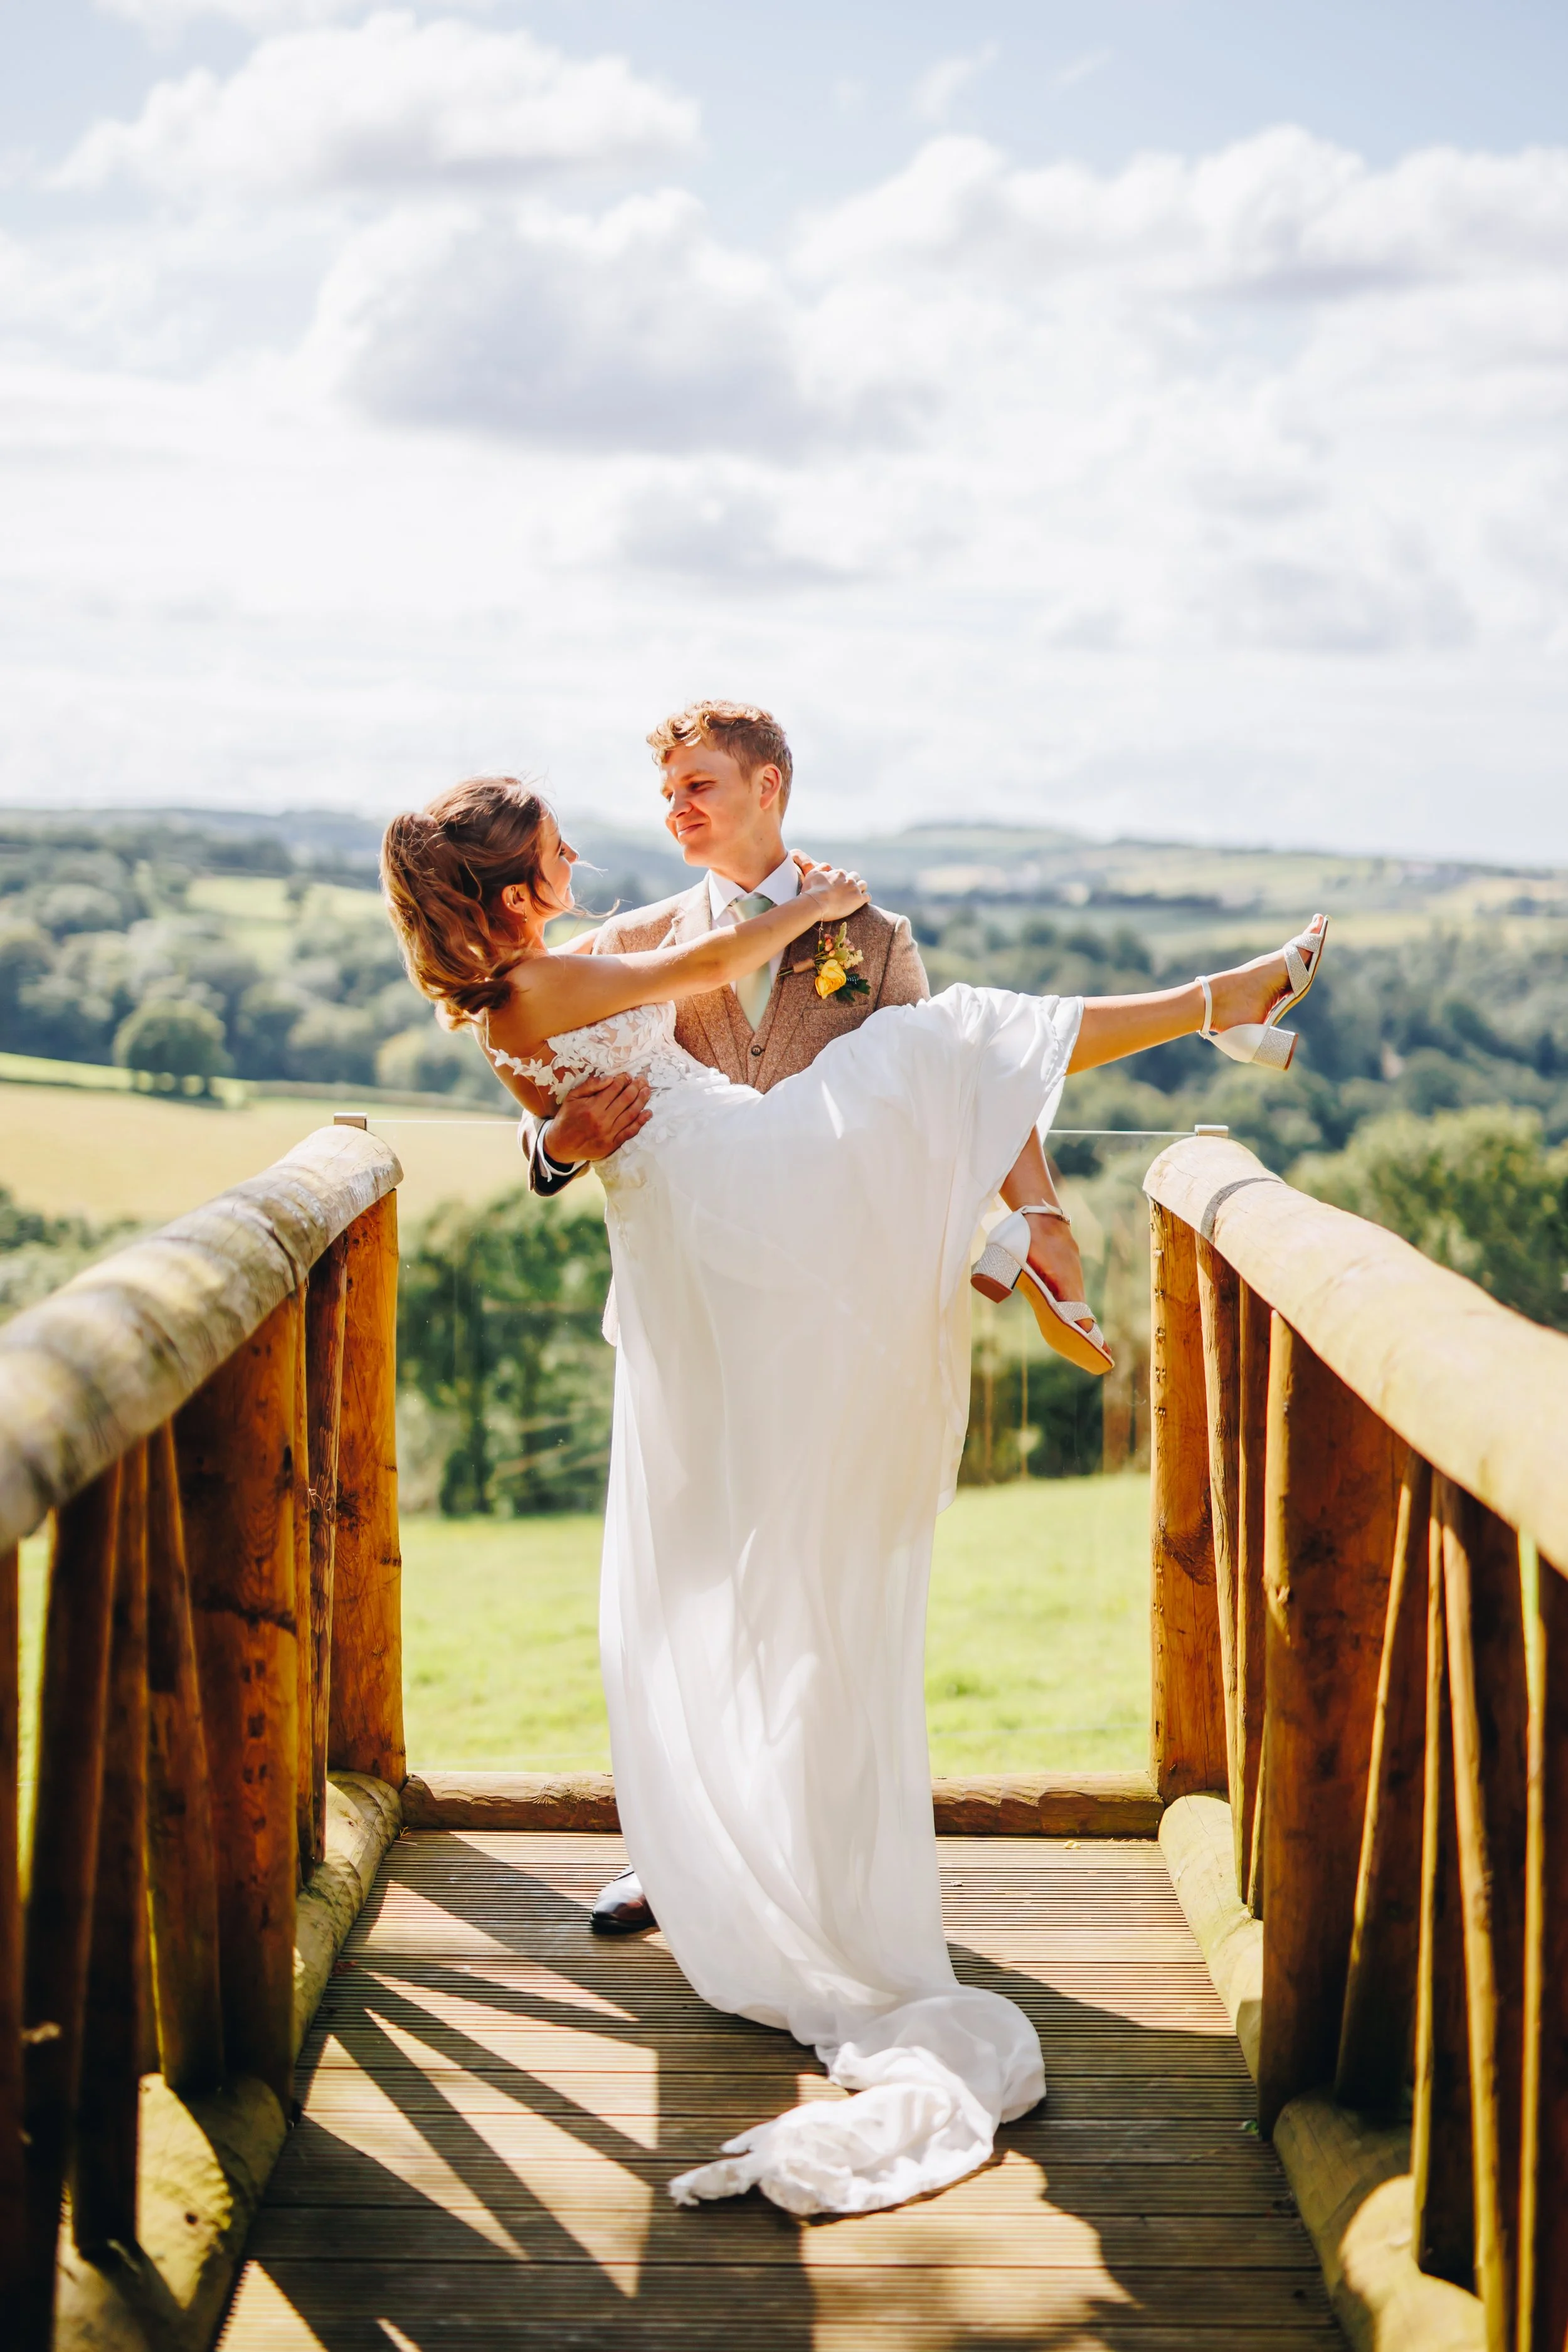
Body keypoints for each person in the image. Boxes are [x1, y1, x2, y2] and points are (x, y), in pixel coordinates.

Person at [379, 766, 1327, 2220]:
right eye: (563, 846)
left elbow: (652, 977)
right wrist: (808, 910)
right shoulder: (550, 980)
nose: (606, 841)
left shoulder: (550, 966)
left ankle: (1109, 1125)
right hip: (716, 1207)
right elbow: (685, 970)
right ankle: (1209, 1019)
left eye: (686, 787)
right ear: (515, 897)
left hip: (725, 1213)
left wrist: (814, 921)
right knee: (937, 1055)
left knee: (934, 1054)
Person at [522, 701, 1100, 1938]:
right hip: (691, 1302)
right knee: (690, 1572)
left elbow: (961, 1079)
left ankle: (805, 1862)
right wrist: (552, 1150)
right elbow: (543, 1049)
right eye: (666, 790)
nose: (676, 808)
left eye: (700, 785)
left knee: (809, 1576)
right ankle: (680, 1861)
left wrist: (1039, 1204)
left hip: (828, 1304)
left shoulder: (873, 937)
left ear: (768, 786)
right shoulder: (643, 937)